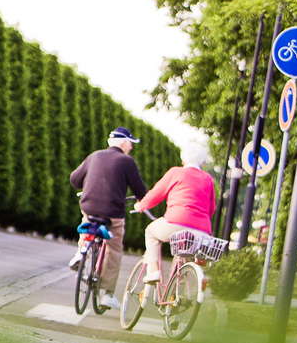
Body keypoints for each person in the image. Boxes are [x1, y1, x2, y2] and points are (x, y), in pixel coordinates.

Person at [69, 127, 149, 310]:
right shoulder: (126, 161)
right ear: (123, 143)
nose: (131, 147)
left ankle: (81, 253)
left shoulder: (94, 156)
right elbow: (140, 191)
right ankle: (108, 294)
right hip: (113, 213)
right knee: (114, 248)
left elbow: (74, 179)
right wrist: (141, 200)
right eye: (130, 143)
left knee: (87, 224)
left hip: (89, 206)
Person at [133, 156, 217, 286]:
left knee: (150, 231)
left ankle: (153, 271)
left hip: (176, 223)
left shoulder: (176, 172)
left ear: (184, 159)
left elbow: (156, 193)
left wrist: (141, 205)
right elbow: (212, 208)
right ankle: (179, 293)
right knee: (184, 254)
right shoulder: (208, 179)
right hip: (202, 231)